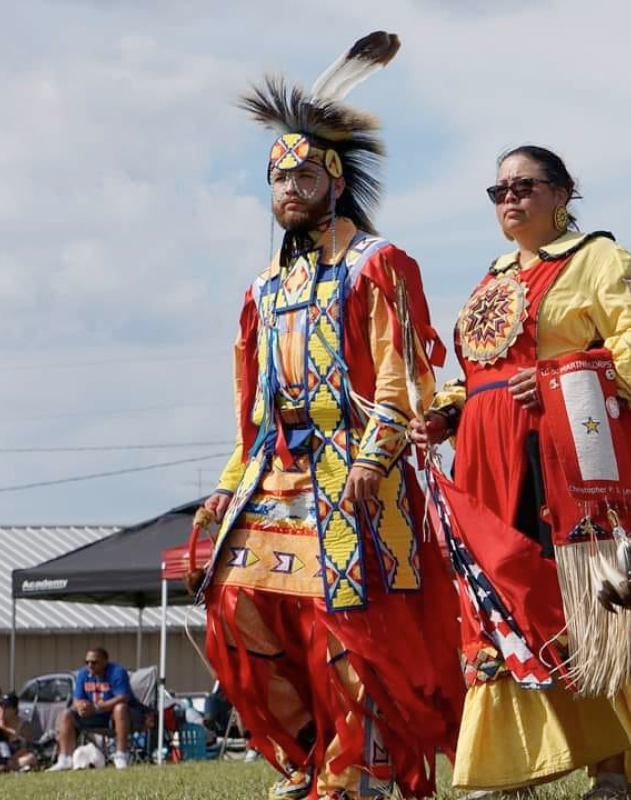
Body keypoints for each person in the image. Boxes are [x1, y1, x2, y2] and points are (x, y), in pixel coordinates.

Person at [194, 31, 464, 800]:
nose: (287, 186)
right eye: (276, 176)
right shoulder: (262, 291)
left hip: (354, 465)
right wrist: (229, 485)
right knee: (238, 606)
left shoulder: (376, 265)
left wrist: (376, 460)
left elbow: (405, 376)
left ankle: (362, 770)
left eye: (303, 172)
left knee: (347, 624)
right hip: (275, 470)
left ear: (334, 181)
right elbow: (252, 408)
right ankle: (311, 751)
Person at [410, 144, 631, 798]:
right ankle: (519, 767)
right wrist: (445, 413)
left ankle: (610, 769)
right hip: (489, 462)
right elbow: (477, 376)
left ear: (562, 193)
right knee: (506, 600)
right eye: (498, 190)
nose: (509, 200)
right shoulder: (492, 278)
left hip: (574, 456)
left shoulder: (599, 259)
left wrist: (559, 376)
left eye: (524, 186)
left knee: (590, 603)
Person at [48, 647, 141, 771]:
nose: (90, 665)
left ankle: (121, 755)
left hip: (117, 716)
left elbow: (123, 697)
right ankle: (65, 759)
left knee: (120, 708)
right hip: (94, 715)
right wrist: (81, 707)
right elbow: (77, 700)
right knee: (66, 714)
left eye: (94, 662)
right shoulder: (83, 674)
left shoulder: (117, 672)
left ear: (105, 661)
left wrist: (97, 707)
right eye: (87, 662)